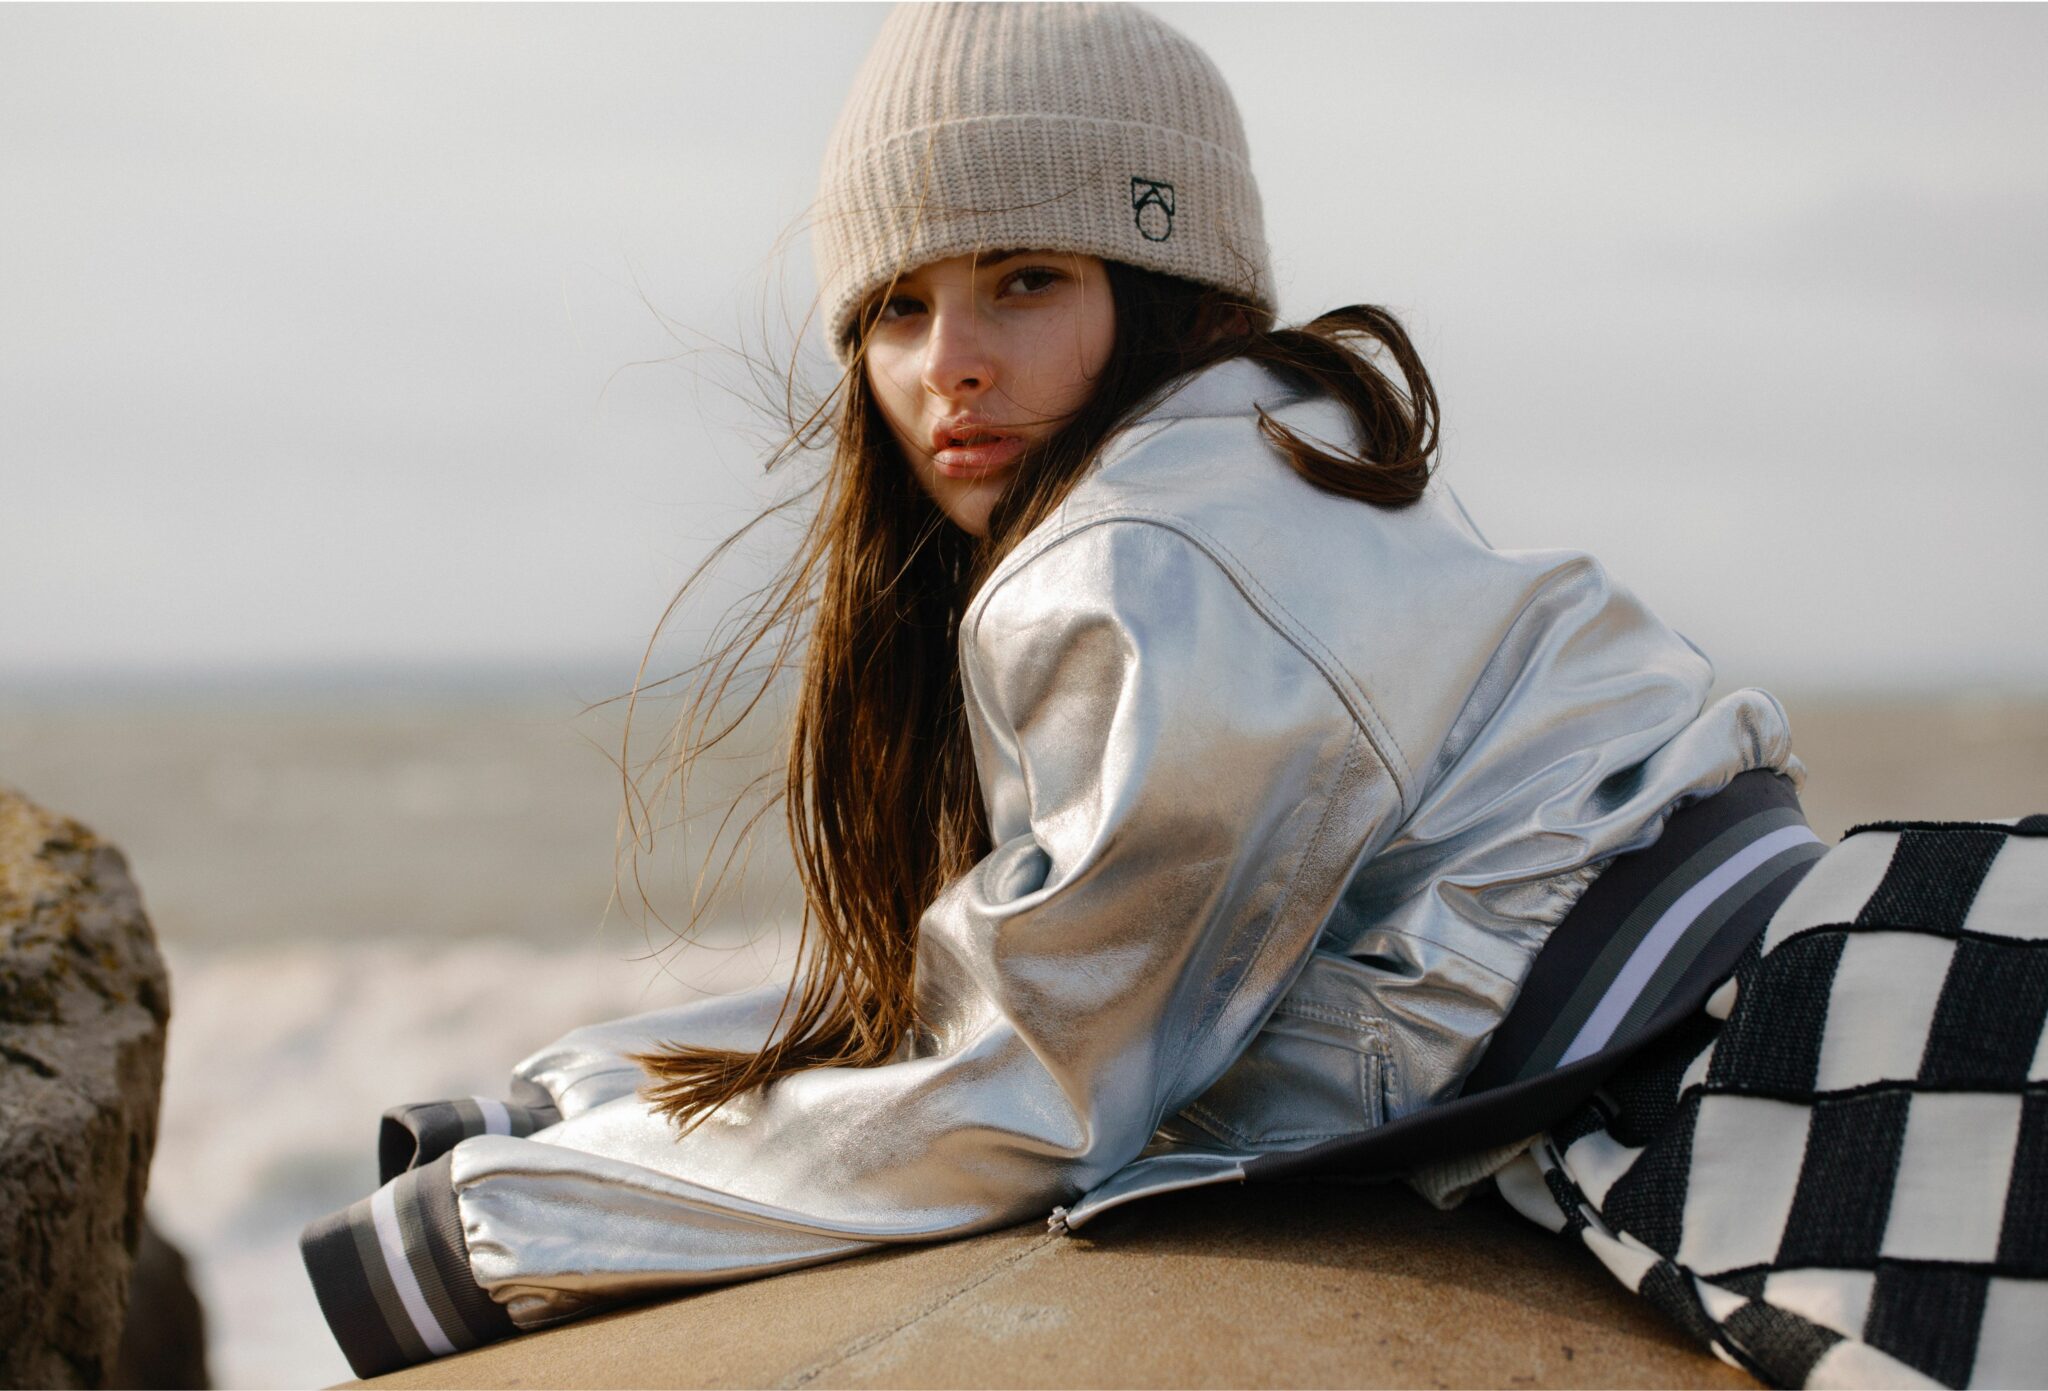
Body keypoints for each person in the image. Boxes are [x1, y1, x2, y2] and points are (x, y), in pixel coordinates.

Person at [302, 7, 2045, 1387]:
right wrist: (578, 1092)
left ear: (1164, 287)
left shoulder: (1141, 565)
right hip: (1816, 941)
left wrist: (499, 1226)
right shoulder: (1271, 470)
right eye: (897, 306)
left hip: (1726, 1077)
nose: (949, 365)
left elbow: (1030, 1102)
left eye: (1026, 279)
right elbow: (1038, 967)